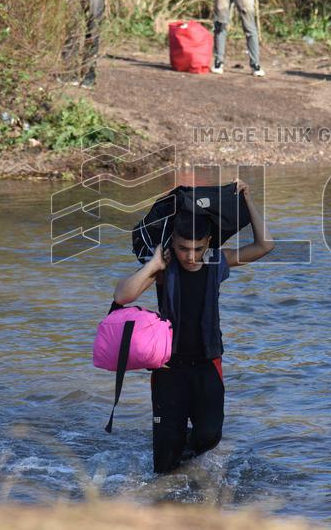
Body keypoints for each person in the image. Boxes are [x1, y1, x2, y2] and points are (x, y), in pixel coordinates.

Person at [111, 180, 274, 474]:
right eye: (183, 248)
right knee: (162, 464)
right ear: (173, 242)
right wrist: (153, 264)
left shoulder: (216, 262)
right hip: (168, 370)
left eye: (197, 248)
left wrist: (248, 199)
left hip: (207, 366)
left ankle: (184, 464)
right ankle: (170, 465)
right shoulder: (165, 268)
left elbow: (264, 246)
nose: (190, 256)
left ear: (208, 243)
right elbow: (123, 295)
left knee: (210, 436)